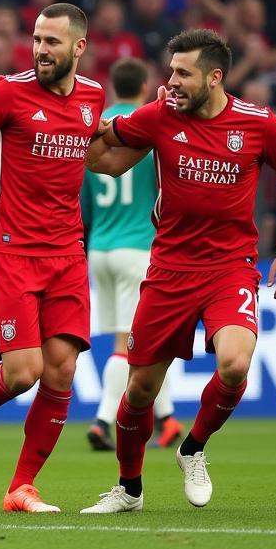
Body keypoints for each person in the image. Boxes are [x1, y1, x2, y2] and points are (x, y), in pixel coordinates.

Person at [81, 30, 276, 514]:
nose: (171, 82)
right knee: (139, 389)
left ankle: (193, 448)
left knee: (234, 362)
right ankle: (129, 488)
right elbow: (104, 163)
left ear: (215, 76)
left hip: (230, 269)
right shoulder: (160, 116)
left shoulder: (258, 124)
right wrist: (85, 131)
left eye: (182, 73)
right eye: (170, 71)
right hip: (167, 270)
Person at [0, 3, 106, 513]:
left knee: (62, 371)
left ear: (78, 47)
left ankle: (21, 488)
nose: (40, 49)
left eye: (52, 41)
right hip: (11, 251)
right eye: (36, 39)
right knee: (24, 371)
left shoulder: (93, 98)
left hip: (68, 254)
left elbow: (102, 157)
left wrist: (160, 121)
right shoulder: (7, 92)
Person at [81, 57, 180, 453]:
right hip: (137, 245)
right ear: (143, 86)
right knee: (130, 345)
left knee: (146, 342)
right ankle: (103, 421)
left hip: (99, 247)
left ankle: (168, 419)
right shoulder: (146, 123)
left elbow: (84, 196)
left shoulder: (97, 125)